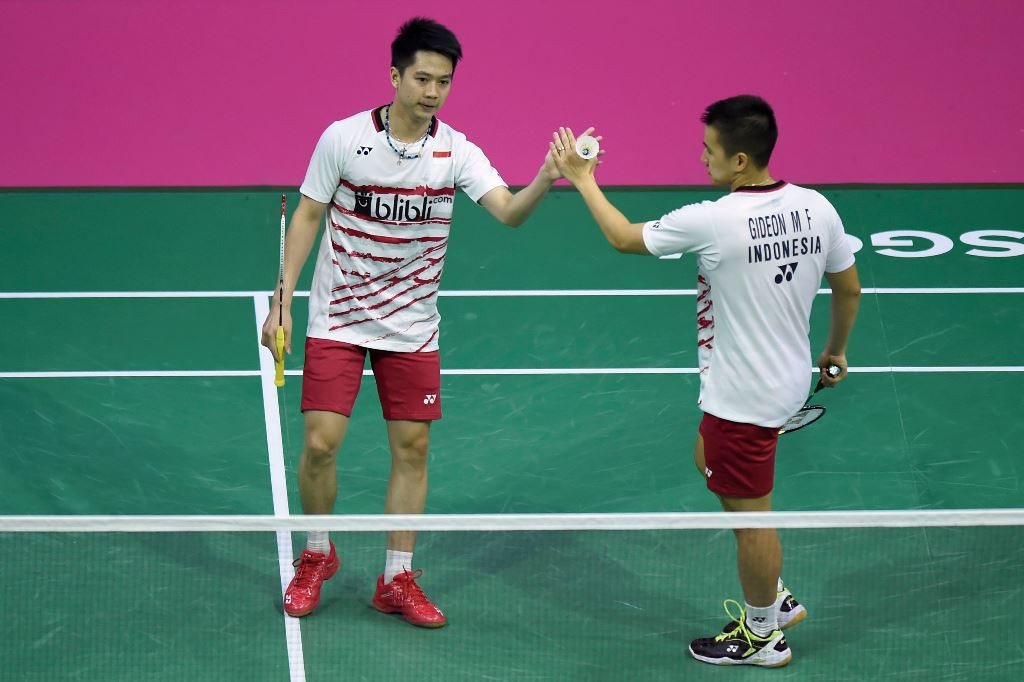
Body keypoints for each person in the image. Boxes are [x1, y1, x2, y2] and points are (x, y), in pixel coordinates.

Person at [260, 17, 563, 628]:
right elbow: (309, 216)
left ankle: (396, 575)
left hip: (412, 325)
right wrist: (281, 299)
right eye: (422, 78)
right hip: (339, 316)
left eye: (443, 82)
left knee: (413, 448)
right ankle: (317, 555)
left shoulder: (457, 151)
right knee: (320, 443)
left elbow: (507, 211)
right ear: (395, 75)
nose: (432, 91)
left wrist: (545, 180)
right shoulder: (343, 139)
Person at [548, 95, 861, 667]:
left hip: (744, 399)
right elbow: (849, 288)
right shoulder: (818, 208)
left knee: (752, 524)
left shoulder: (713, 220)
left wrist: (581, 178)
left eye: (709, 149)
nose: (702, 159)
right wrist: (835, 351)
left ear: (740, 159)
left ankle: (766, 633)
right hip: (787, 382)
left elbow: (622, 236)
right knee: (706, 458)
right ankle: (775, 598)